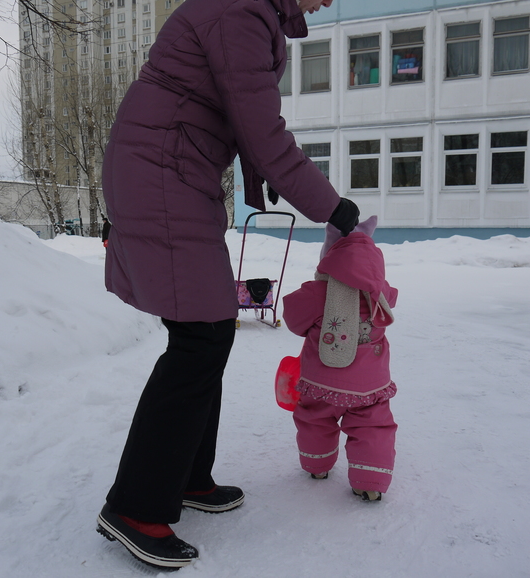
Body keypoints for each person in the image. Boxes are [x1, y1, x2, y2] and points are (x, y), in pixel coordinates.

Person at [97, 0, 357, 570]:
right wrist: (333, 208)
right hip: (160, 171)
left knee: (211, 330)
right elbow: (263, 131)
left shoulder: (252, 14)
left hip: (174, 171)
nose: (331, 0)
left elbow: (240, 120)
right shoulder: (239, 12)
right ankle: (135, 506)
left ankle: (187, 477)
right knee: (200, 337)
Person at [281, 216, 399, 502]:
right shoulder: (382, 294)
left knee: (315, 417)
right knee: (373, 425)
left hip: (322, 378)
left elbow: (293, 319)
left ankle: (317, 465)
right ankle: (370, 482)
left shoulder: (317, 292)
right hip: (369, 384)